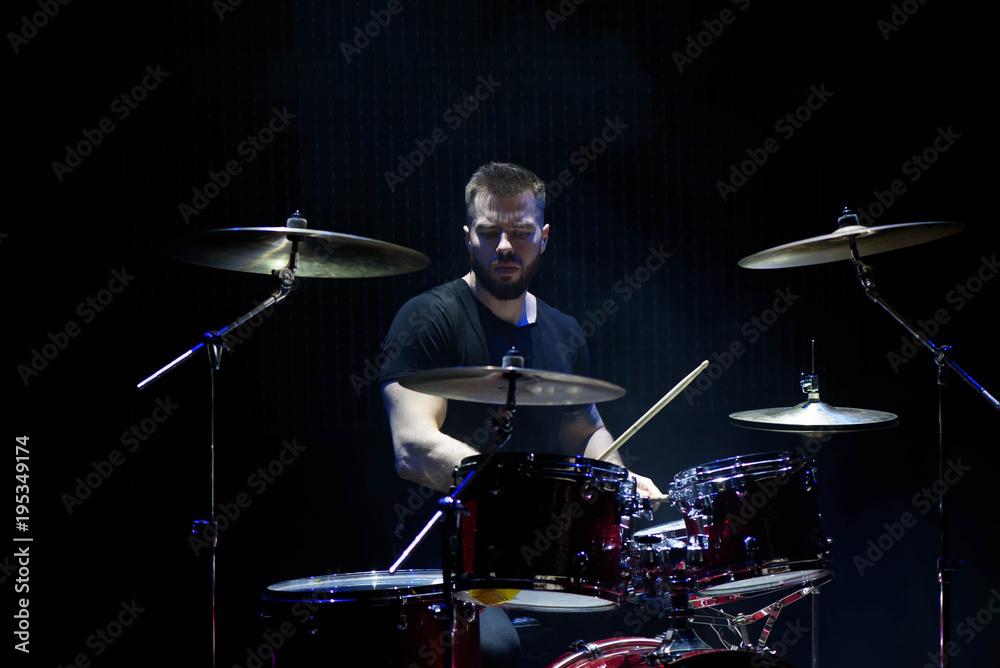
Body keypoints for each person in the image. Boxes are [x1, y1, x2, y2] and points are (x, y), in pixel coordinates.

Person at [379, 161, 662, 666]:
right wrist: (521, 503)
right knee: (496, 648)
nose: (505, 246)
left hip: (545, 559)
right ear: (468, 236)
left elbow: (585, 428)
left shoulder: (564, 330)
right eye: (489, 233)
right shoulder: (429, 318)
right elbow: (413, 448)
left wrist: (621, 486)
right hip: (454, 562)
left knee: (648, 624)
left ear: (544, 236)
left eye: (520, 232)